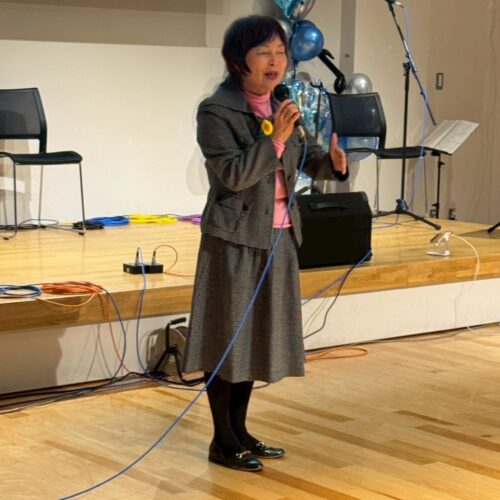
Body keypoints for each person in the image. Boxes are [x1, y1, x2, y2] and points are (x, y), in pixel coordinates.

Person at [182, 15, 348, 472]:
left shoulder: (282, 102)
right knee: (227, 339)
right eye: (264, 53)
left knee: (255, 339)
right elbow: (234, 175)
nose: (275, 61)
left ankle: (240, 431)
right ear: (239, 60)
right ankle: (222, 439)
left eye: (280, 52)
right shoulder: (216, 111)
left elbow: (308, 158)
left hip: (279, 235)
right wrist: (274, 136)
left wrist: (334, 165)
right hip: (234, 238)